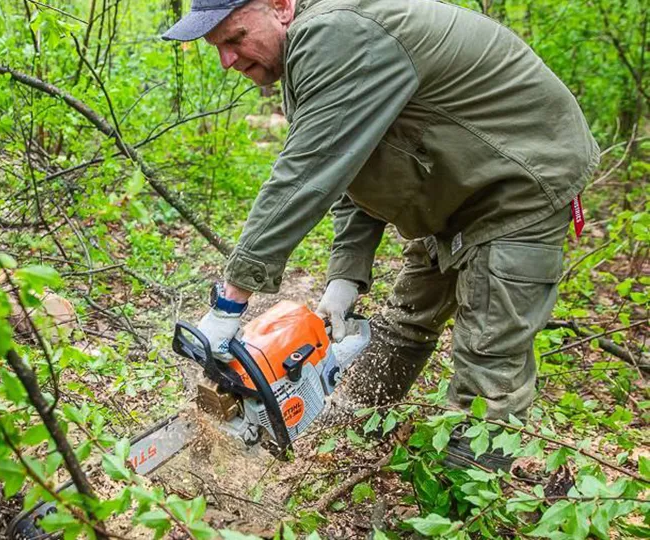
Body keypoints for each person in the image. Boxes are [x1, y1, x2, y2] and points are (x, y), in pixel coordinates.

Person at [163, 0, 599, 469]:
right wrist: (345, 276)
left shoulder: (335, 34)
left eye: (235, 38)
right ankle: (350, 431)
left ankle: (465, 500)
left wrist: (231, 301)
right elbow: (355, 164)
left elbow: (305, 174)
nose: (228, 60)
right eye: (217, 48)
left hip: (518, 184)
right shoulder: (312, 55)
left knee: (487, 367)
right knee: (406, 321)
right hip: (455, 190)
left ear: (280, 6)